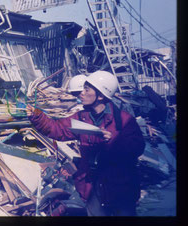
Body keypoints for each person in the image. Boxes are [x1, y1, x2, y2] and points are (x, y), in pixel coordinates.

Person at [26, 71, 145, 216]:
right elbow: (59, 129)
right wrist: (37, 116)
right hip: (92, 186)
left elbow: (137, 147)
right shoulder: (82, 117)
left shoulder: (124, 120)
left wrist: (114, 140)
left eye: (87, 89)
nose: (81, 93)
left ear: (100, 95)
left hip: (120, 187)